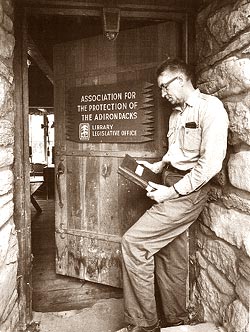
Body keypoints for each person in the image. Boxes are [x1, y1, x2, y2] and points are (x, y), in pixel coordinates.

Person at [121, 58, 229, 332]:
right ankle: (176, 321)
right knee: (171, 253)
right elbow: (177, 155)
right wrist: (157, 166)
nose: (162, 94)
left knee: (134, 243)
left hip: (188, 190)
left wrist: (171, 192)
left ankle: (144, 325)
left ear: (180, 80)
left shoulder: (210, 109)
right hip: (171, 181)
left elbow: (210, 165)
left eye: (164, 87)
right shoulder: (175, 114)